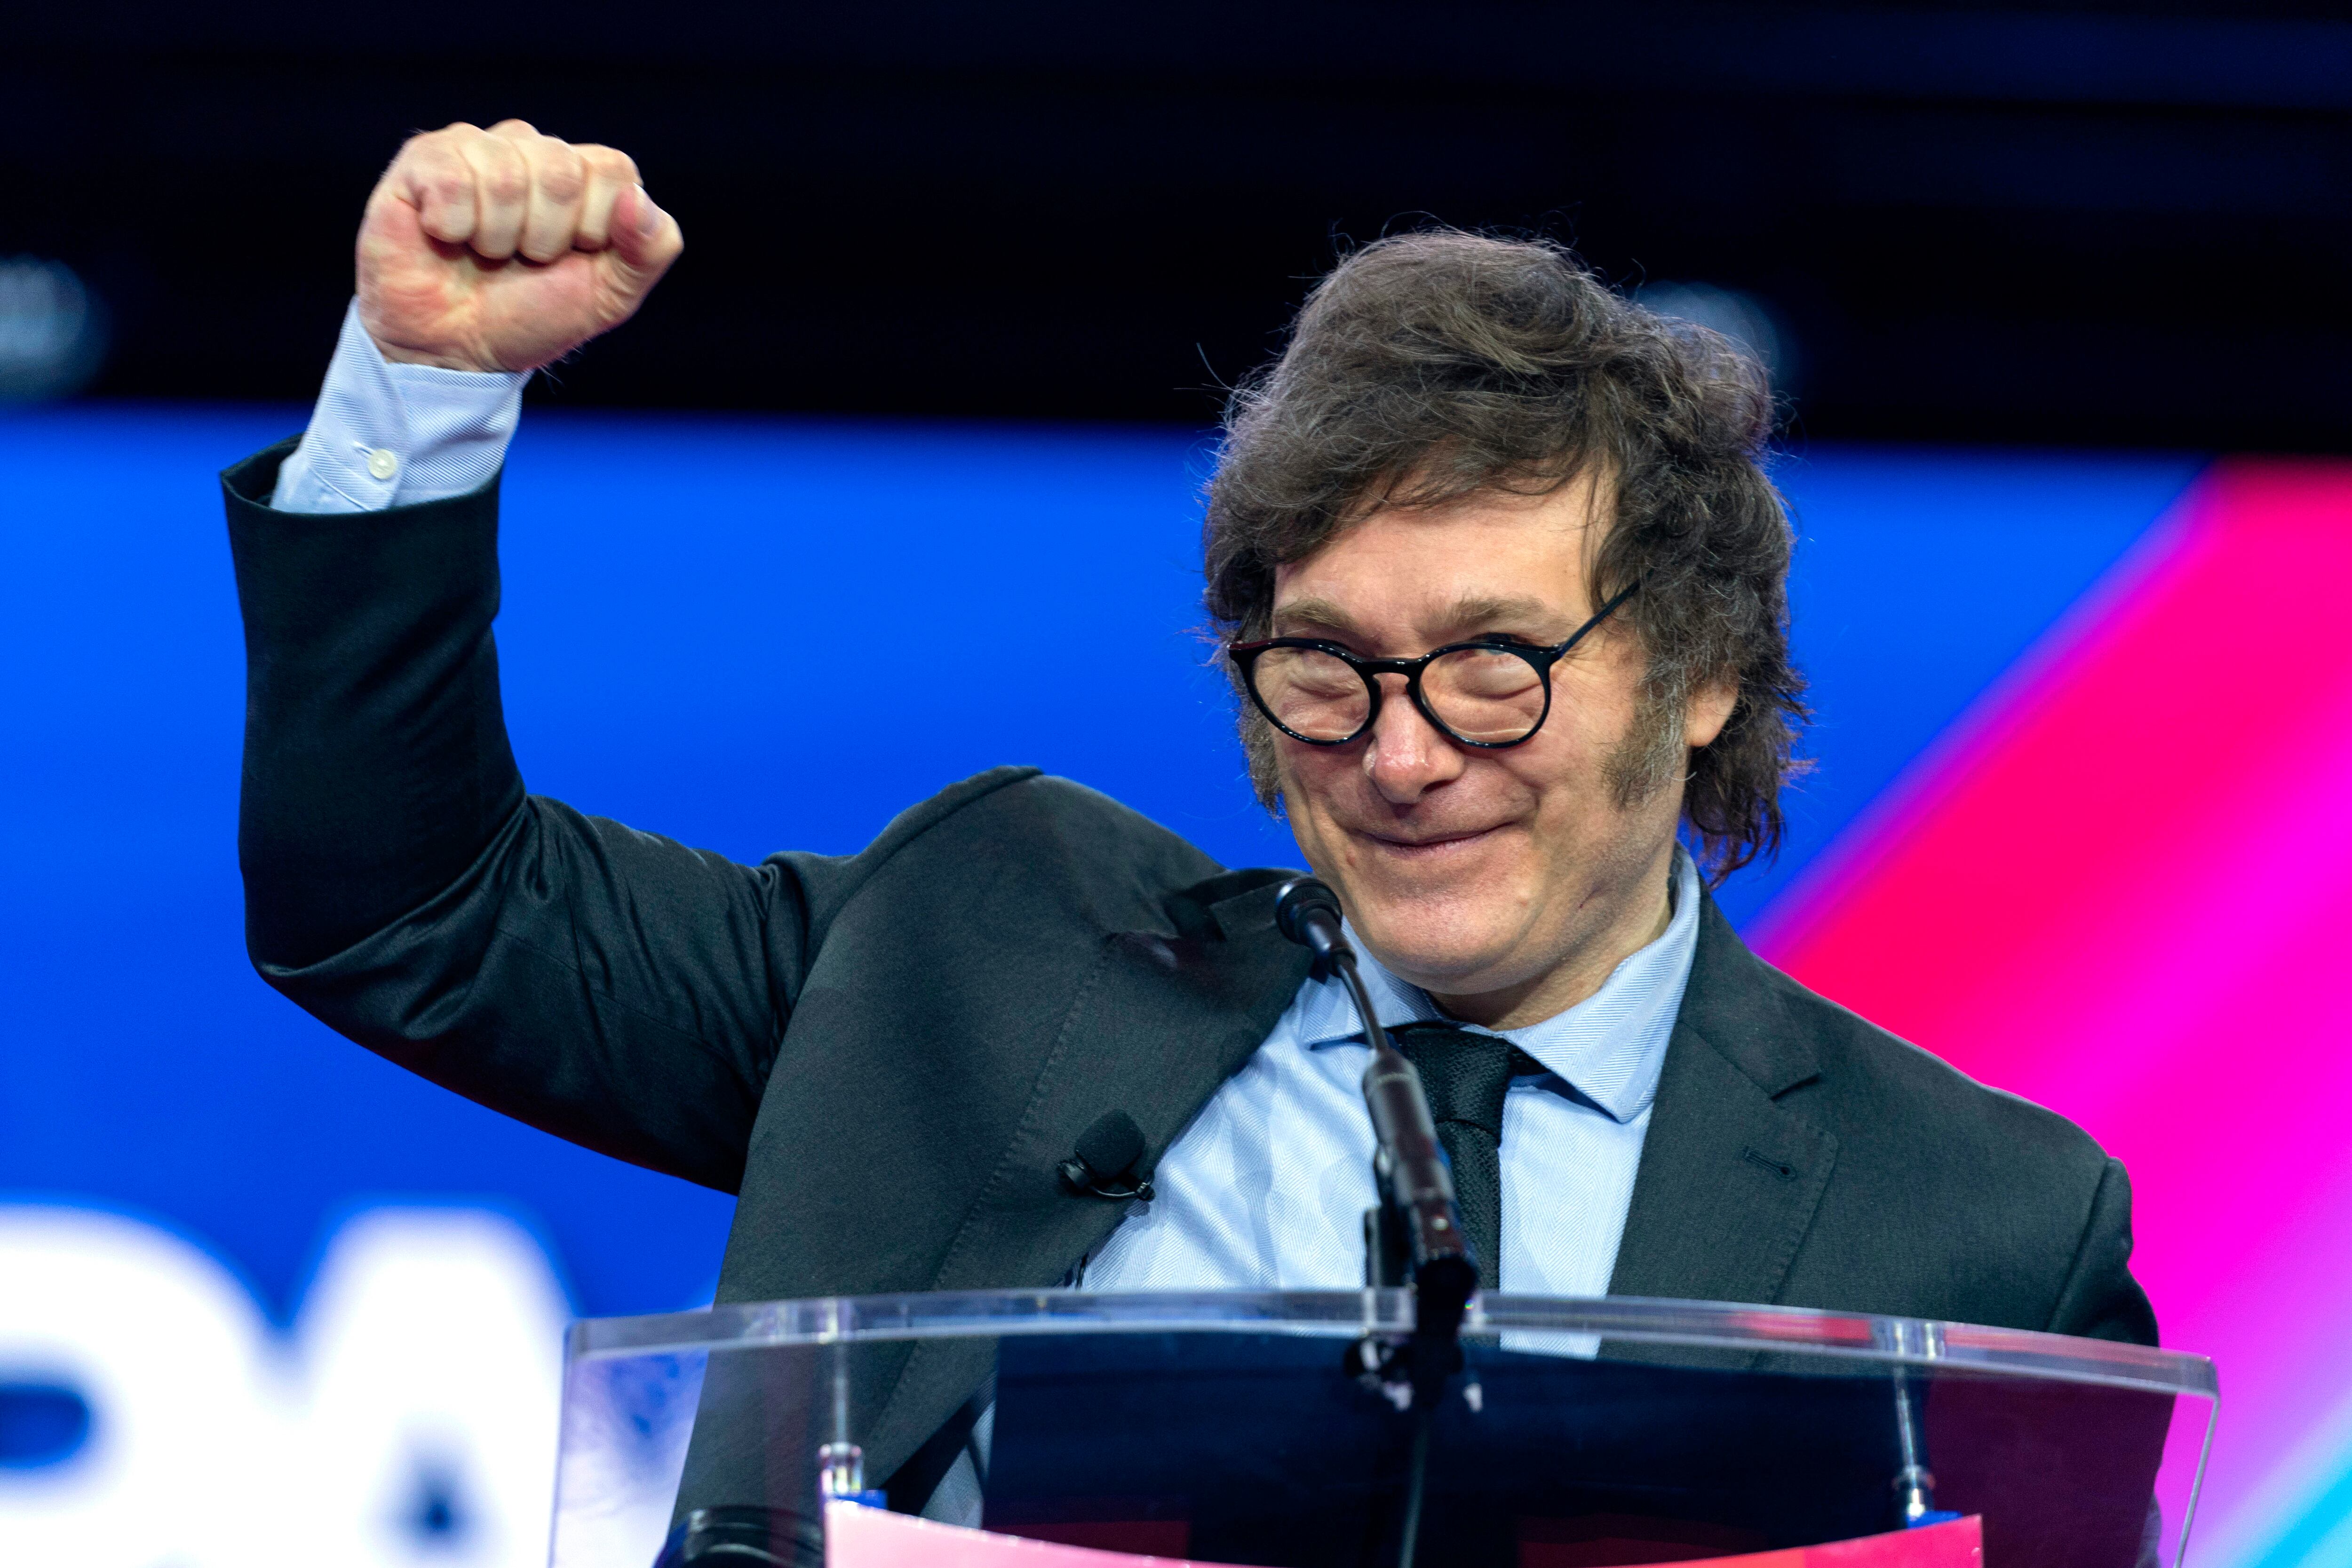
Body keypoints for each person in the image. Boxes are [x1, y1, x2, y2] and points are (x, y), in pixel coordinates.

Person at [222, 120, 2155, 1514]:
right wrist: (423, 396)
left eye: (1494, 665)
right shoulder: (971, 954)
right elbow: (405, 908)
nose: (1402, 755)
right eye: (1325, 666)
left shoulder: (1977, 1225)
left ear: (1703, 670)